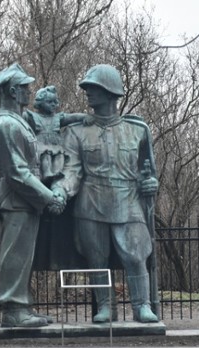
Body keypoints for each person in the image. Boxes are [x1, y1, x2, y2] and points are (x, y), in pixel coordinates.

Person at [52, 64, 160, 323]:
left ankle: (142, 306)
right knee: (97, 258)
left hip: (129, 200)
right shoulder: (76, 132)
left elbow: (149, 171)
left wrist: (151, 184)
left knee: (135, 255)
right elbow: (72, 171)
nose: (88, 93)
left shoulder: (138, 130)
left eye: (94, 88)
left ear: (111, 93)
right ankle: (105, 307)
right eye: (87, 88)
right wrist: (60, 190)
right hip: (91, 203)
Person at [0, 63, 66, 328]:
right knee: (15, 256)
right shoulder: (6, 125)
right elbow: (18, 173)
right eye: (24, 87)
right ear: (12, 91)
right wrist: (47, 196)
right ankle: (13, 311)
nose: (29, 91)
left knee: (22, 257)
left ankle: (21, 308)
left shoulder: (16, 121)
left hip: (25, 202)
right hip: (17, 200)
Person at [23, 86, 88, 184]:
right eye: (49, 102)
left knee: (60, 155)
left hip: (56, 145)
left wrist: (86, 117)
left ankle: (58, 173)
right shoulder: (33, 117)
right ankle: (47, 173)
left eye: (55, 102)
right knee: (45, 156)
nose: (53, 104)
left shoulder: (58, 118)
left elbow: (72, 117)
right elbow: (19, 118)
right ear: (40, 103)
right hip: (41, 145)